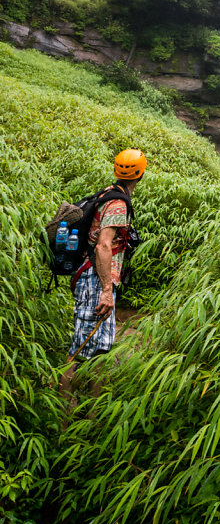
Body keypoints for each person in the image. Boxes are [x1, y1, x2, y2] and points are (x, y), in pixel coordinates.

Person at [65, 148, 146, 372]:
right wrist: (106, 290)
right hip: (95, 279)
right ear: (141, 174)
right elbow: (103, 245)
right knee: (80, 352)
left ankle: (91, 406)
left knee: (100, 351)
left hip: (92, 277)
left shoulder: (109, 192)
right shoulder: (118, 203)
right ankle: (64, 404)